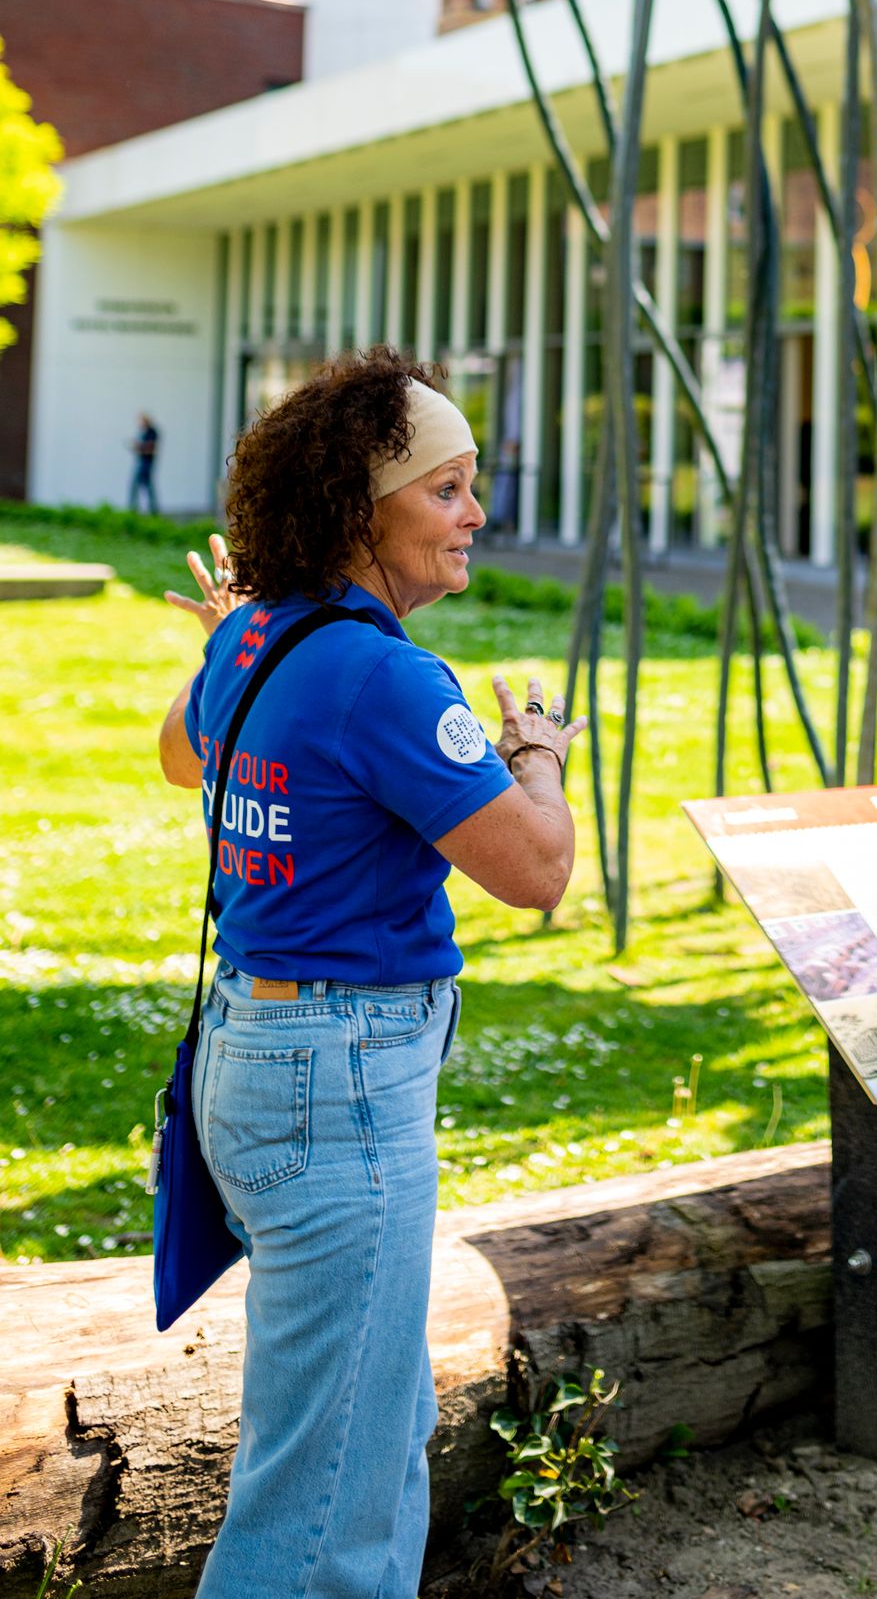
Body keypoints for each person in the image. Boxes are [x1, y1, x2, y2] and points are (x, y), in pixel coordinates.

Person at [157, 347, 585, 1599]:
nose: (476, 515)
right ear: (360, 511)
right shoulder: (389, 679)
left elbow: (184, 756)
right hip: (337, 1085)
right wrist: (536, 750)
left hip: (255, 1057)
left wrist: (225, 637)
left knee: (359, 1435)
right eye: (447, 489)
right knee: (325, 1505)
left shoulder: (257, 637)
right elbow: (535, 871)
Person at [128, 411, 159, 514]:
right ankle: (133, 510)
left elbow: (150, 448)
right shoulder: (142, 432)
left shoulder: (152, 432)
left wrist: (139, 447)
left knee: (148, 488)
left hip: (147, 464)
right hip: (140, 462)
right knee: (134, 487)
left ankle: (153, 511)